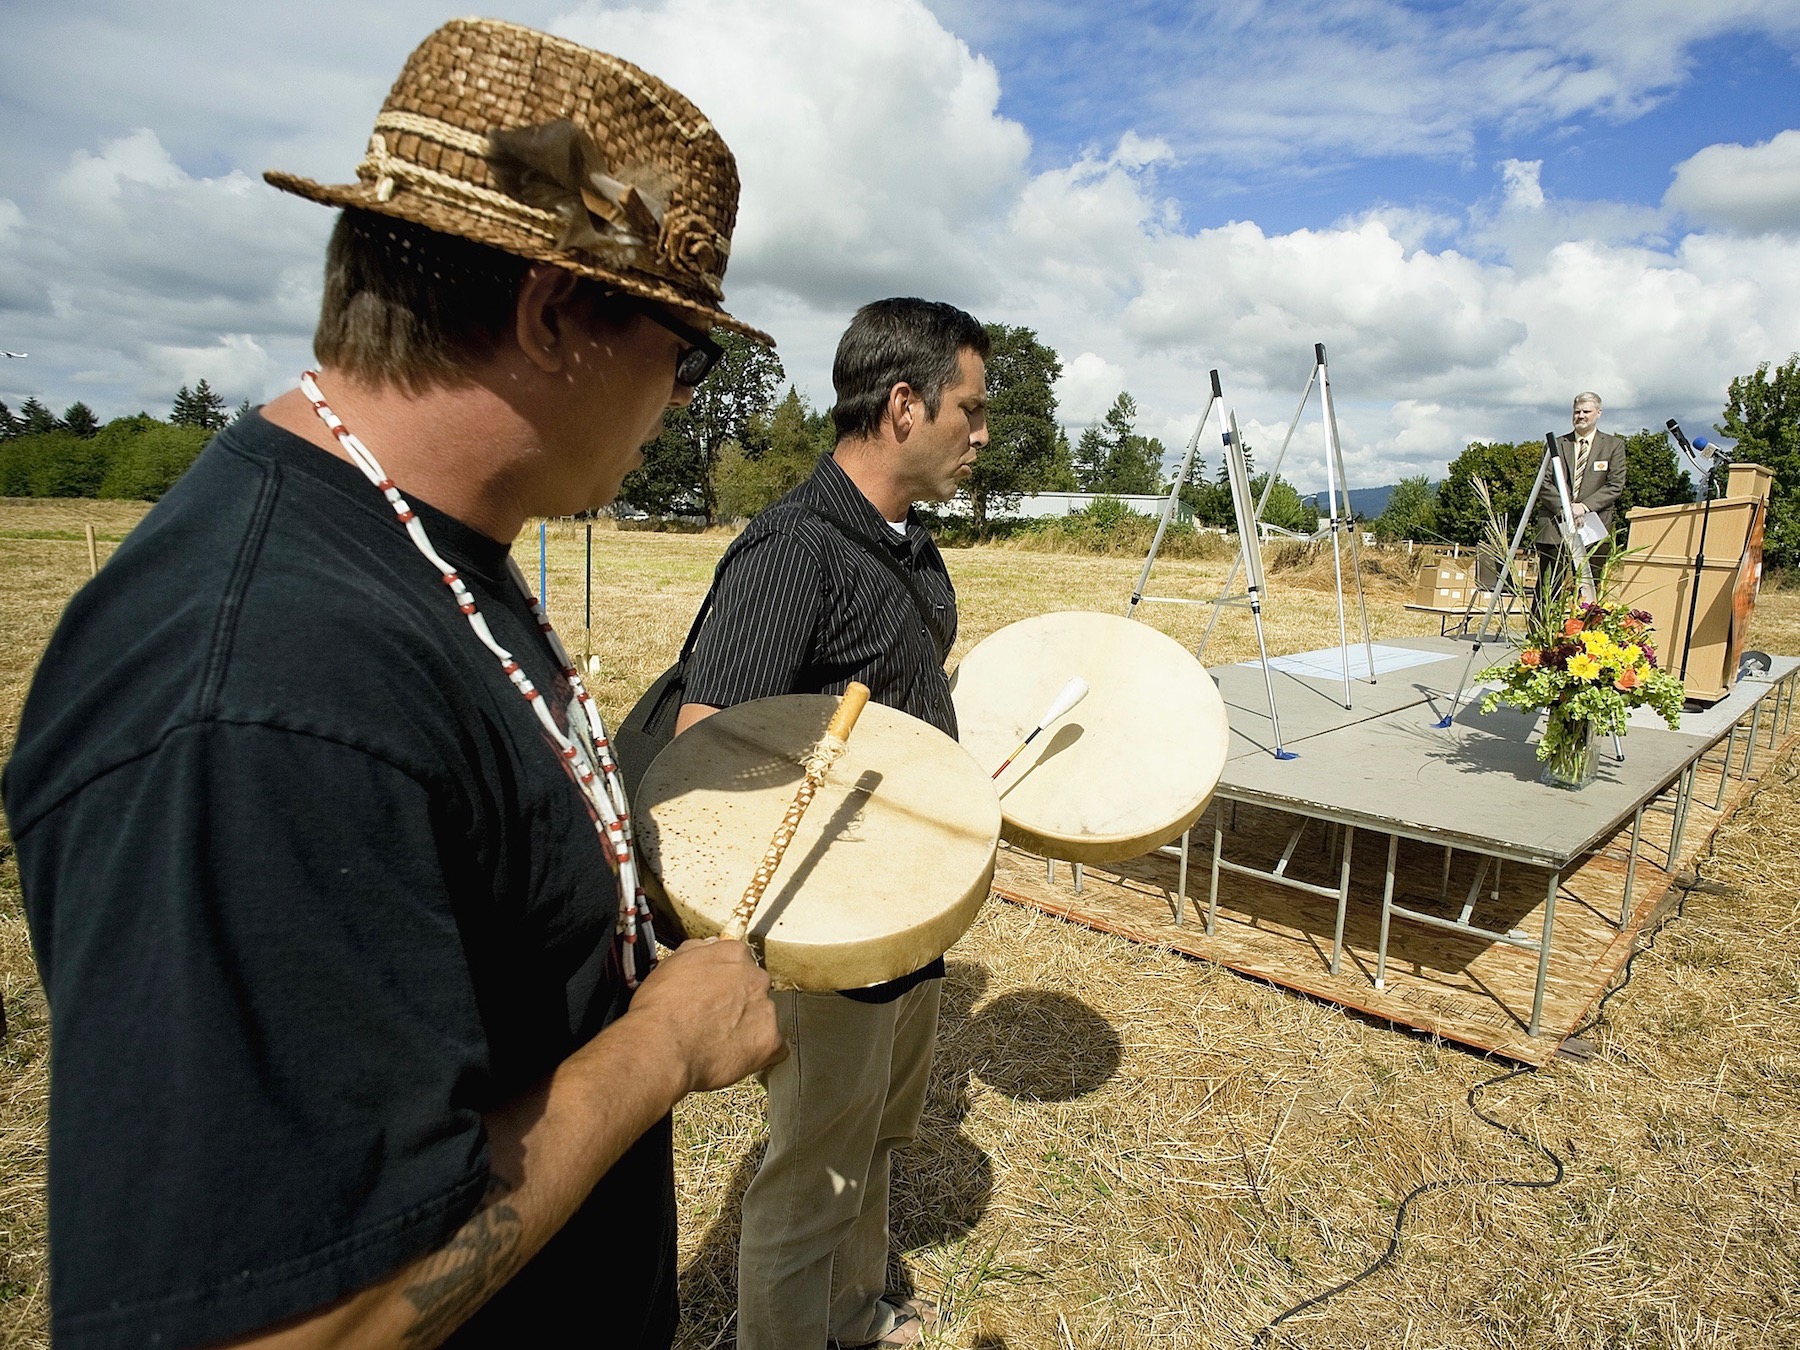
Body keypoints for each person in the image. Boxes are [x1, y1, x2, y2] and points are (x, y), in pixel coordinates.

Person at [2, 20, 786, 1350]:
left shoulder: (432, 553)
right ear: (554, 314)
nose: (679, 402)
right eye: (686, 353)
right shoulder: (258, 695)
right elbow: (295, 1312)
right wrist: (662, 1046)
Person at [674, 298, 990, 1350]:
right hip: (821, 935)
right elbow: (707, 760)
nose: (982, 435)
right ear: (905, 405)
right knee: (813, 1174)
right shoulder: (793, 552)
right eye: (970, 410)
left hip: (903, 921)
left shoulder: (908, 547)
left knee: (873, 1144)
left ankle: (851, 1319)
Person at [1535, 390, 1627, 608]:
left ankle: (1584, 637)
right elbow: (1543, 483)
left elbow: (1615, 486)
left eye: (1586, 411)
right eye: (1577, 412)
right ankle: (1539, 637)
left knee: (1588, 589)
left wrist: (1584, 507)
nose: (1581, 416)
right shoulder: (1555, 444)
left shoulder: (1613, 446)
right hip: (1555, 527)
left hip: (1592, 528)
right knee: (1548, 588)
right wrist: (1566, 509)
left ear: (1598, 413)